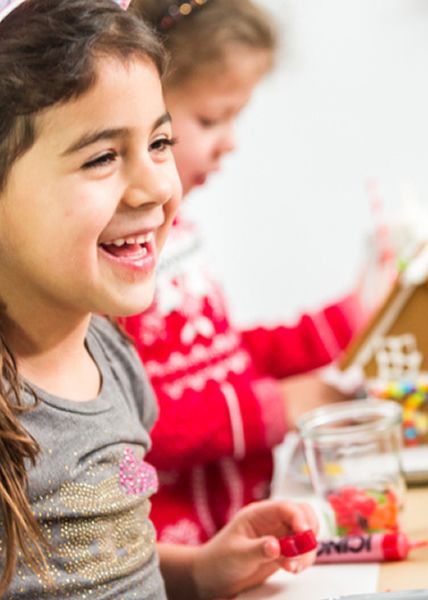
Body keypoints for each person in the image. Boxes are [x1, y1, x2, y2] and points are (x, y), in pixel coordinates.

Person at [0, 1, 317, 597]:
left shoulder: (114, 360)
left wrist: (199, 570)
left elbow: (115, 543)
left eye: (161, 142)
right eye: (102, 156)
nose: (154, 187)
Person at [123, 0, 362, 545]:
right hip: (177, 551)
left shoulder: (181, 232)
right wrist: (277, 408)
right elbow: (137, 420)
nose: (230, 141)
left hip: (236, 527)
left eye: (236, 117)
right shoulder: (117, 259)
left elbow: (221, 358)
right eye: (211, 119)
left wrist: (338, 326)